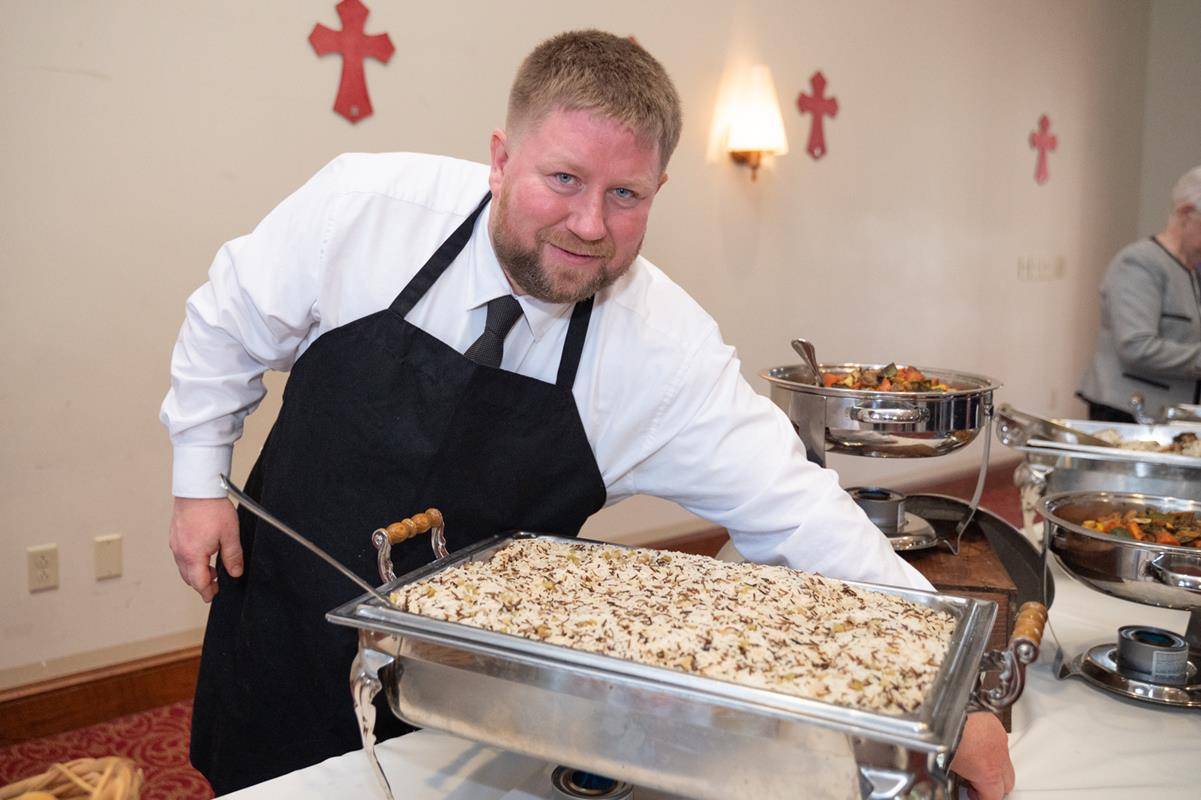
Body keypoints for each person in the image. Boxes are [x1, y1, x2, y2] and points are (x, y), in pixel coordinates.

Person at [162, 30, 1014, 798]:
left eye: (626, 196)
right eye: (561, 179)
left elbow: (797, 513)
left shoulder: (662, 351)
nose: (588, 226)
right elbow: (227, 321)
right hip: (282, 610)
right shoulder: (368, 207)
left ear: (660, 188)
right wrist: (198, 482)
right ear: (500, 158)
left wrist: (952, 689)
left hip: (483, 703)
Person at [1077, 165, 1201, 422]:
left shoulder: (1190, 270)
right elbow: (1137, 347)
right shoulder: (1139, 263)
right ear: (1186, 212)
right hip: (1128, 415)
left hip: (1168, 415)